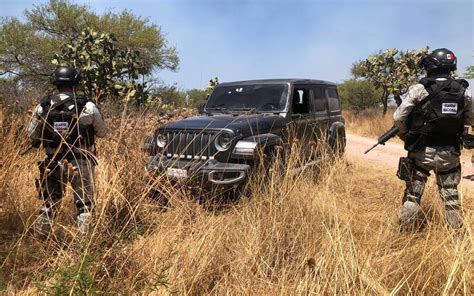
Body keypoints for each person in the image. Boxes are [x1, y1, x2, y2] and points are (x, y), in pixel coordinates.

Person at [393, 48, 473, 229]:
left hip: (422, 152)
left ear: (431, 66)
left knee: (413, 195)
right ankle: (456, 236)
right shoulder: (463, 90)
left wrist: (406, 134)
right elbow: (471, 118)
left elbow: (398, 119)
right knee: (451, 197)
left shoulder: (420, 89)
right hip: (450, 153)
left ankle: (405, 232)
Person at [28, 66, 107, 236]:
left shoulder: (43, 106)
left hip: (52, 161)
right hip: (80, 161)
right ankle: (83, 244)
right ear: (76, 82)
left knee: (49, 202)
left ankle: (42, 239)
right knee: (84, 204)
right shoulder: (88, 106)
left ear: (55, 82)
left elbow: (31, 134)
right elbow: (102, 132)